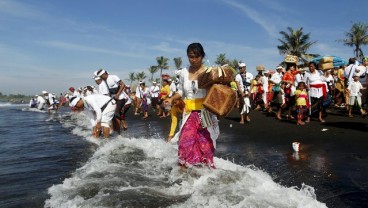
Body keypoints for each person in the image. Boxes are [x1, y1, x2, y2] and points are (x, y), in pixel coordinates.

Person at [165, 42, 219, 169]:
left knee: (205, 143)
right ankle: (184, 170)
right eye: (191, 56)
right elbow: (180, 91)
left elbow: (214, 91)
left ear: (202, 56)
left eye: (197, 56)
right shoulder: (183, 72)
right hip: (189, 112)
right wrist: (171, 98)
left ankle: (206, 171)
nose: (194, 60)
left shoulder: (208, 72)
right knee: (185, 142)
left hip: (205, 113)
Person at [96, 69, 126, 134]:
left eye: (101, 77)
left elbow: (123, 84)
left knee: (116, 114)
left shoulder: (113, 77)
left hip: (120, 98)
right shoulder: (105, 81)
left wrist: (118, 94)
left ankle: (118, 132)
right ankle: (115, 130)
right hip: (113, 99)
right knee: (111, 115)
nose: (101, 78)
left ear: (104, 74)